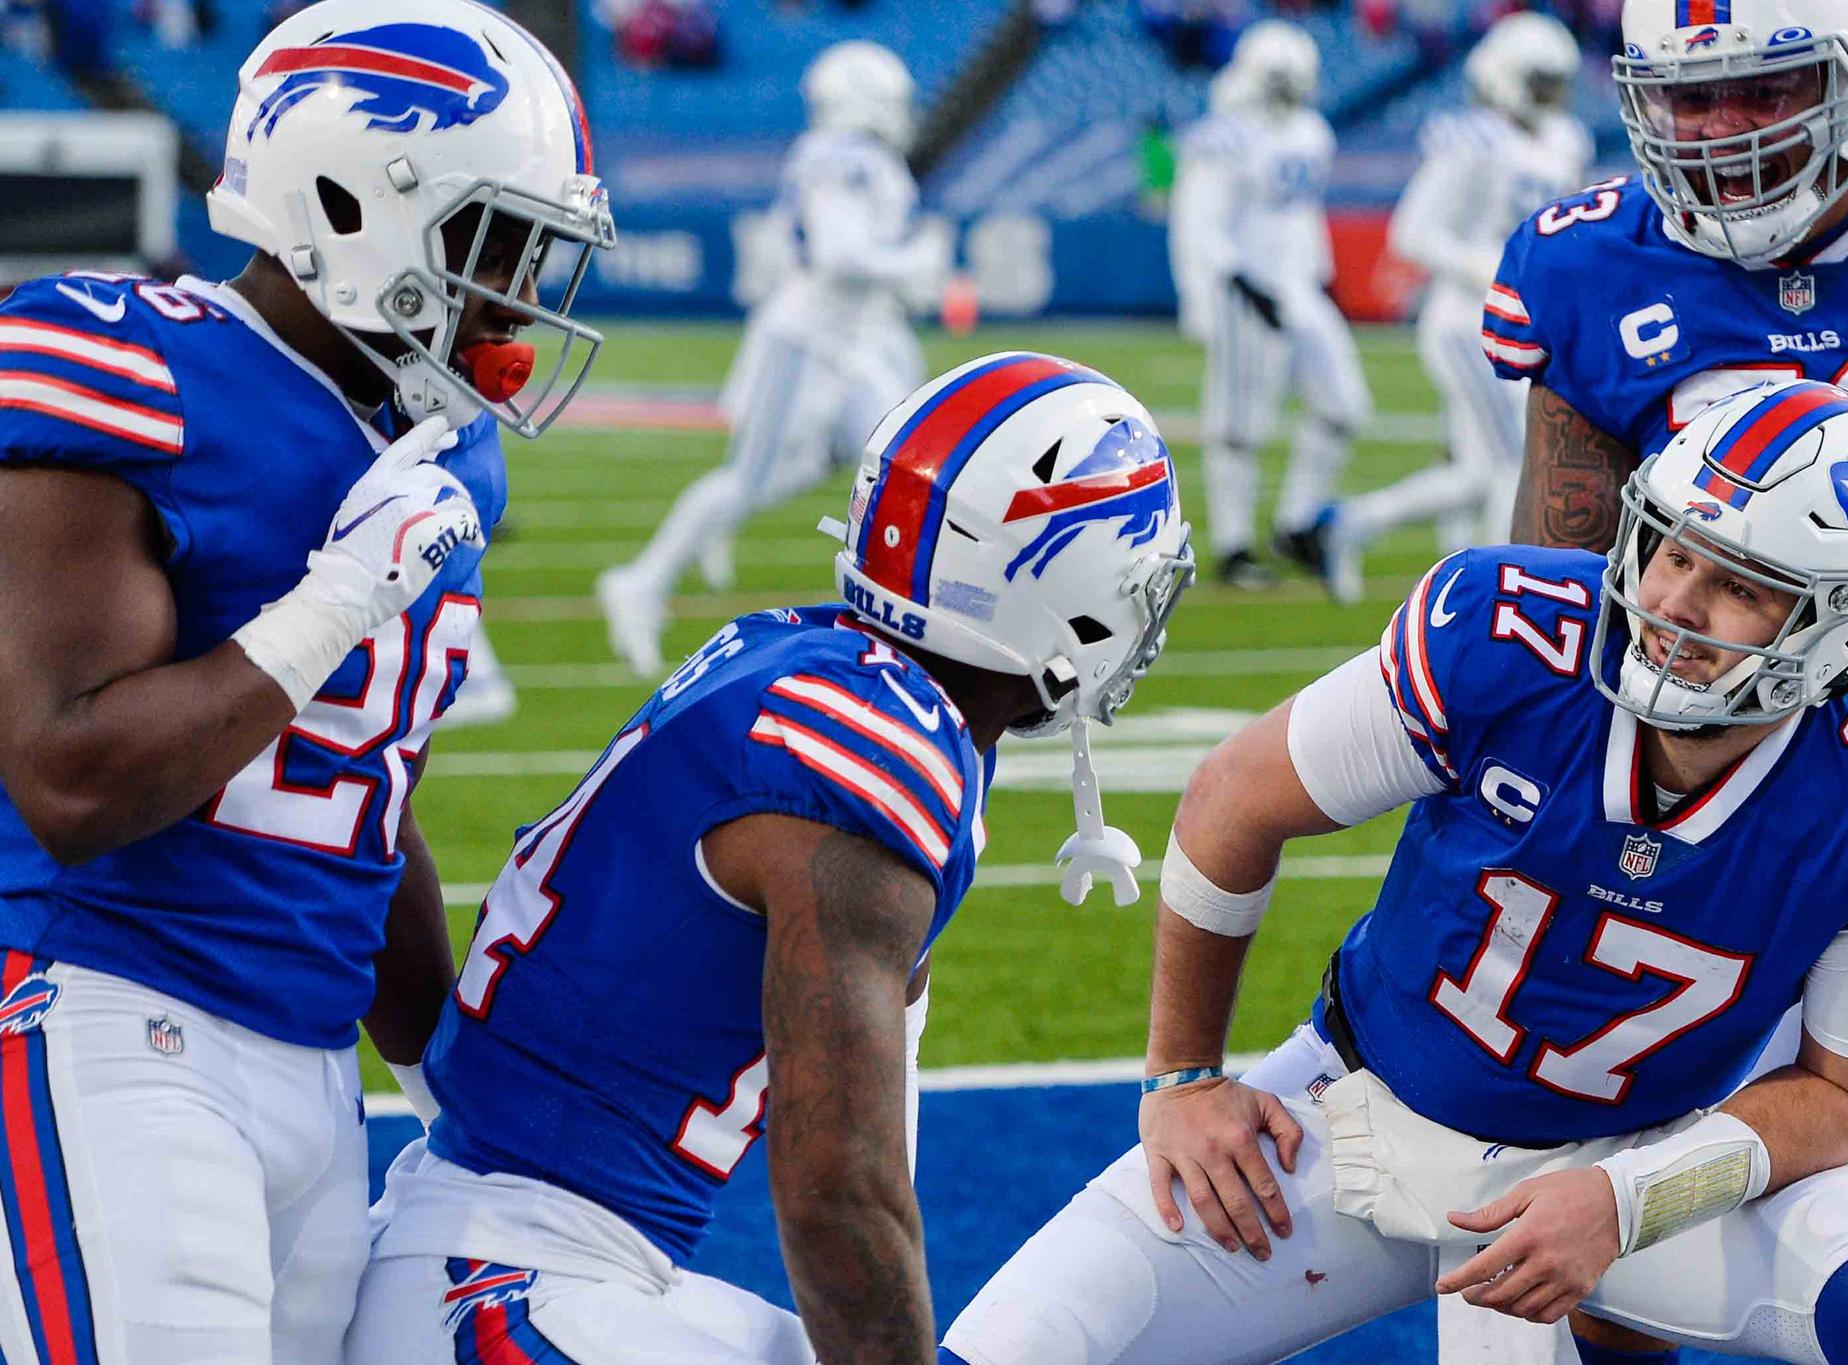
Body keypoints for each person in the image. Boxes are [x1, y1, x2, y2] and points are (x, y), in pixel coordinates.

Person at [939, 380, 1848, 1365]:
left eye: (1738, 587)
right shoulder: (1505, 637)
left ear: (1839, 626)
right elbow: (1231, 802)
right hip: (1355, 1116)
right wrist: (1180, 1079)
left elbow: (1844, 1097)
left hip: (1640, 1150)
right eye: (1672, 550)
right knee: (1008, 1347)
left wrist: (1629, 1200)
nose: (1674, 602)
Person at [345, 352, 1195, 1365]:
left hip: (524, 1242)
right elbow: (839, 1191)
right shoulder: (871, 759)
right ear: (1068, 589)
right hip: (505, 1280)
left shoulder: (815, 662)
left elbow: (888, 1085)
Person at [0, 3, 613, 1362]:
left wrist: (443, 1084)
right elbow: (70, 778)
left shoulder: (444, 447)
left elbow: (362, 799)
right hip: (104, 1013)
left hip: (311, 1065)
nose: (517, 291)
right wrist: (337, 597)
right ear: (351, 200)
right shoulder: (131, 368)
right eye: (493, 241)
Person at [1492, 0, 1848, 1285]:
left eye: (1764, 88)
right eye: (1689, 98)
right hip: (1715, 820)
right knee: (1590, 1201)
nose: (1719, 132)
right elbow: (1565, 595)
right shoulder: (1589, 267)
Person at [598, 39, 943, 677]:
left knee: (885, 464)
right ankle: (640, 582)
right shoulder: (848, 160)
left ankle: (902, 628)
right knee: (752, 479)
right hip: (812, 338)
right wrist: (917, 260)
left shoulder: (847, 157)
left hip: (852, 340)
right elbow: (841, 257)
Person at [1320, 11, 1589, 605]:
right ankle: (1502, 599)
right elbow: (1412, 232)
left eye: (1553, 81)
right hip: (1467, 324)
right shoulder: (1473, 140)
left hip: (1524, 324)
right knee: (1516, 464)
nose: (1546, 95)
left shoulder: (1566, 137)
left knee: (1477, 473)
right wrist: (1489, 270)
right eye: (1536, 80)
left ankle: (1349, 525)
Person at [1169, 18, 1373, 588]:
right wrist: (1230, 282)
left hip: (1298, 287)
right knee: (1238, 424)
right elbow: (1198, 220)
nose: (1285, 88)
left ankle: (1295, 522)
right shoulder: (1224, 135)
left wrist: (1320, 272)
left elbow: (1301, 215)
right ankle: (1234, 547)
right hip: (1245, 292)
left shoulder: (1312, 131)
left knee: (1343, 405)